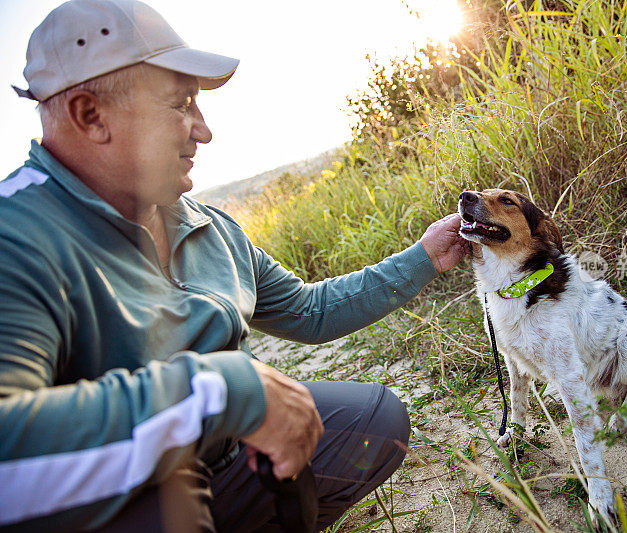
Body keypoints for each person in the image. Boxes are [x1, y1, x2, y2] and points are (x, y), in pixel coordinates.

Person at [0, 1, 469, 531]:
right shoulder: (15, 237)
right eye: (180, 105)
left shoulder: (208, 226)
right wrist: (221, 393)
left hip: (228, 461)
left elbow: (310, 311)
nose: (203, 131)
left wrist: (425, 258)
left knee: (375, 423)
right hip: (117, 500)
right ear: (92, 116)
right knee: (166, 504)